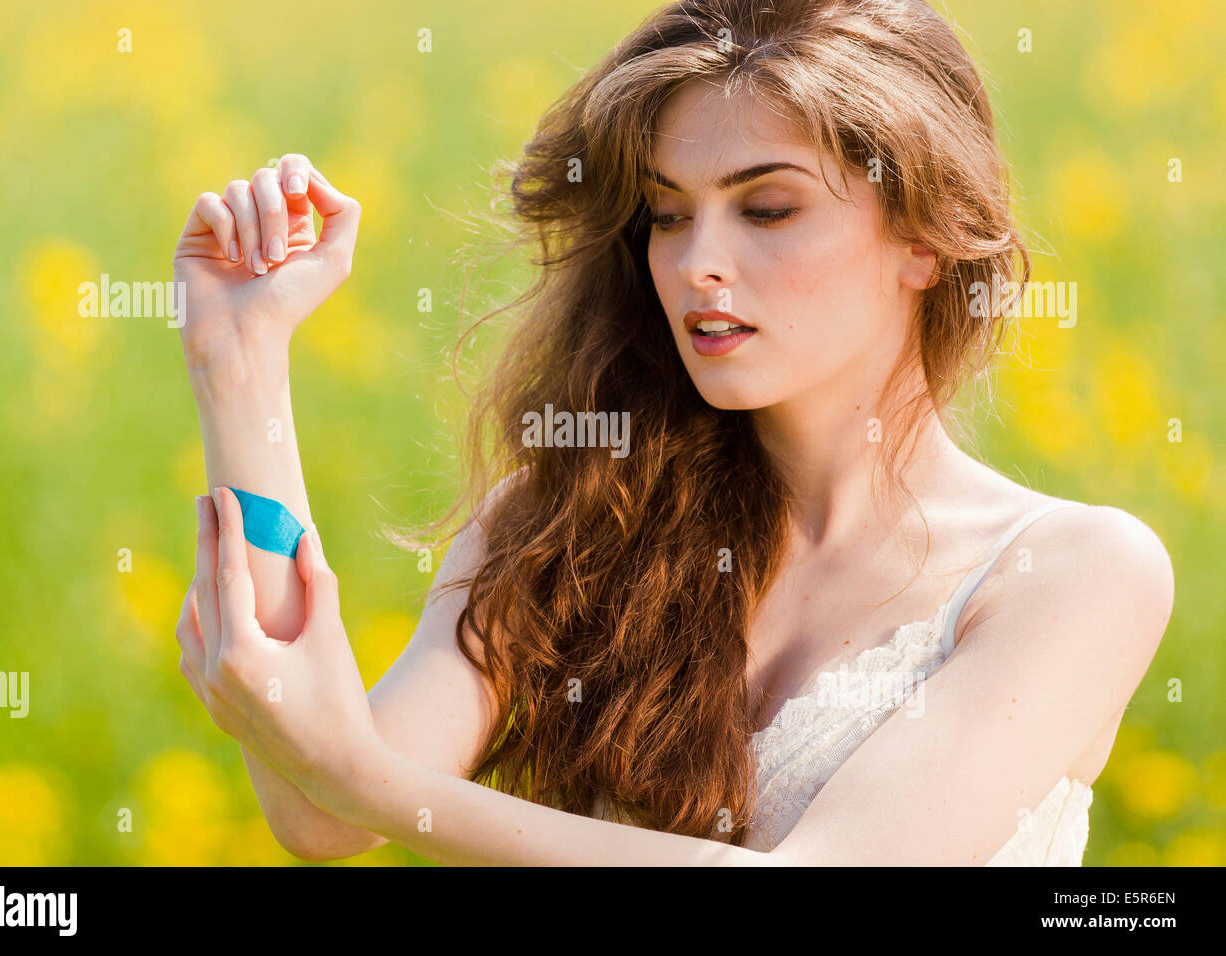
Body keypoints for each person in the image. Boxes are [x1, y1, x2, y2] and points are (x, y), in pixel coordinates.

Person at [172, 0, 1173, 865]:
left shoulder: (1075, 571)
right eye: (664, 214)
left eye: (768, 208)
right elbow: (313, 805)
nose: (699, 261)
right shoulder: (576, 515)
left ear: (925, 235)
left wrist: (362, 776)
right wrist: (239, 357)